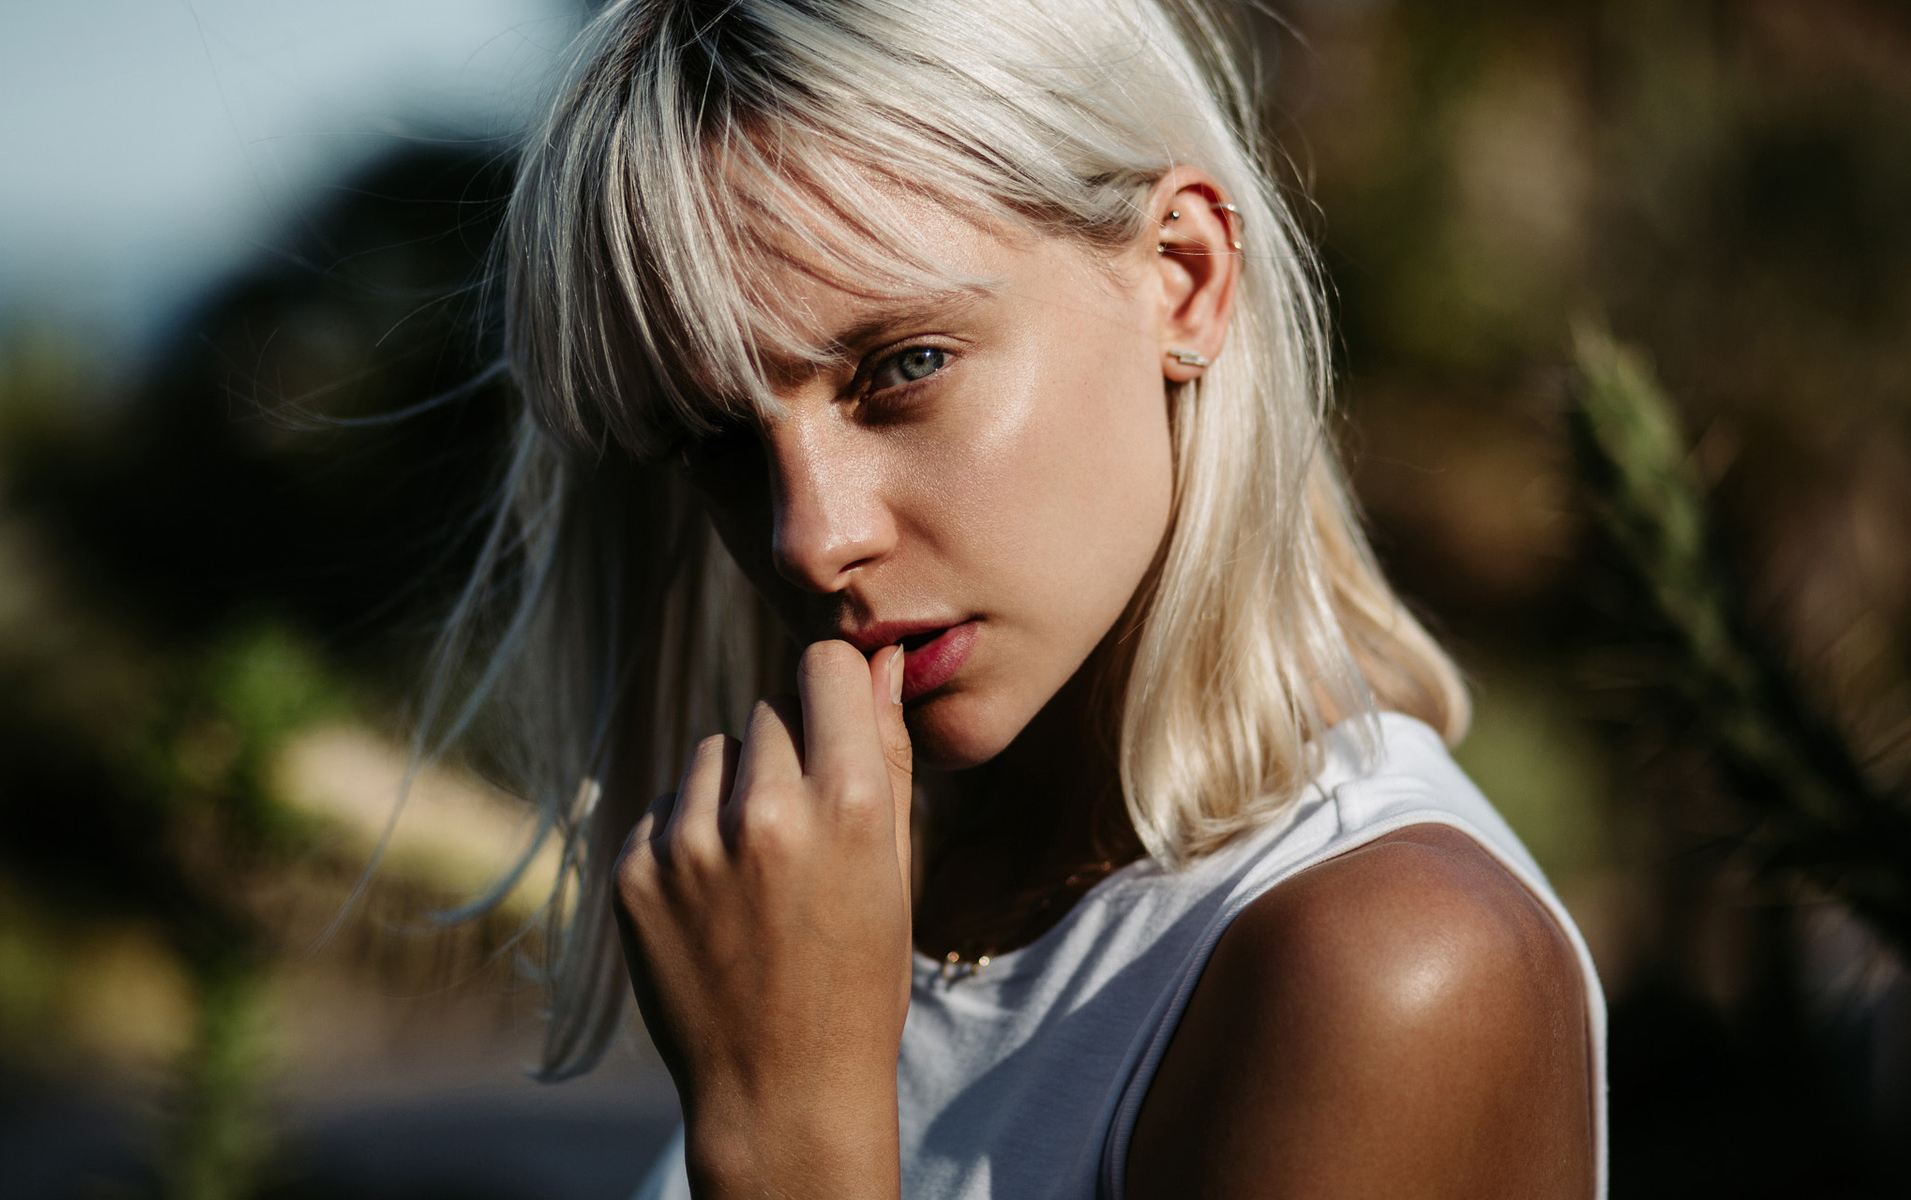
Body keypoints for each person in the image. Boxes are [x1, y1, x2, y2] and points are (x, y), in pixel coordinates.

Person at [440, 0, 1606, 1195]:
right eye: (721, 440)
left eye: (903, 367)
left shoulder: (1392, 963)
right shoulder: (860, 896)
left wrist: (786, 1139)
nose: (811, 539)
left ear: (1183, 278)